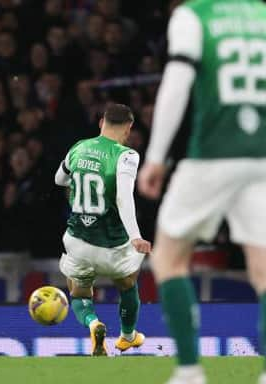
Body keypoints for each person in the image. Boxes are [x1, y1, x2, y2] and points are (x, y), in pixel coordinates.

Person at [138, 1, 266, 383]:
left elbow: (178, 83)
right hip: (261, 157)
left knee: (169, 259)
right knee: (264, 272)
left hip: (211, 155)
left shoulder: (195, 16)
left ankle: (191, 370)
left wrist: (157, 157)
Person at [54, 104, 152, 356]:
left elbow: (59, 179)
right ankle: (127, 336)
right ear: (128, 129)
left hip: (78, 239)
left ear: (101, 123)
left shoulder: (79, 147)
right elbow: (124, 197)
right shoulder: (126, 155)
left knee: (78, 291)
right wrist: (136, 236)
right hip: (112, 245)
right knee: (127, 284)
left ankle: (93, 323)